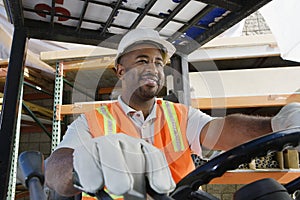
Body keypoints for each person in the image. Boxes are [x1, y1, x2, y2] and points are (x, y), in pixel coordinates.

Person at [45, 28, 300, 199]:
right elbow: (56, 171)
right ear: (120, 71)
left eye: (158, 62)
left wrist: (276, 125)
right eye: (143, 60)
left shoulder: (181, 116)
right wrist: (86, 160)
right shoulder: (91, 123)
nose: (154, 68)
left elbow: (223, 131)